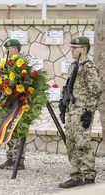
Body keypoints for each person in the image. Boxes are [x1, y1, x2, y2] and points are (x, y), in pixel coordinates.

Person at [58, 36, 101, 188]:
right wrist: (64, 102)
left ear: (83, 49)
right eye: (71, 48)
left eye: (74, 48)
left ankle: (88, 176)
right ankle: (76, 175)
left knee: (82, 143)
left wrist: (89, 111)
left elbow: (96, 90)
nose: (71, 50)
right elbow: (70, 87)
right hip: (72, 110)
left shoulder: (88, 66)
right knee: (71, 142)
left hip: (82, 111)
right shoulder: (74, 65)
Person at [0, 39, 26, 170]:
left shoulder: (22, 63)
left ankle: (19, 161)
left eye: (8, 49)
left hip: (18, 103)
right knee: (9, 131)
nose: (7, 51)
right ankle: (10, 158)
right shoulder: (8, 63)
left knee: (17, 131)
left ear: (15, 49)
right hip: (7, 102)